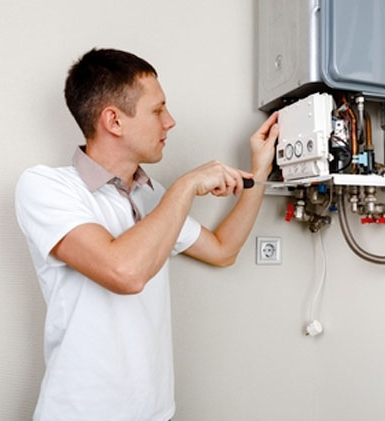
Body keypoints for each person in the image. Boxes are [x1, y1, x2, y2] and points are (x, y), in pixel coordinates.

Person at [15, 48, 279, 421]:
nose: (169, 122)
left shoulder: (150, 196)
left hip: (155, 413)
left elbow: (222, 250)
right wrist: (185, 186)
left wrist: (260, 171)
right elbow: (124, 272)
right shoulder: (47, 187)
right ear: (114, 121)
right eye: (158, 110)